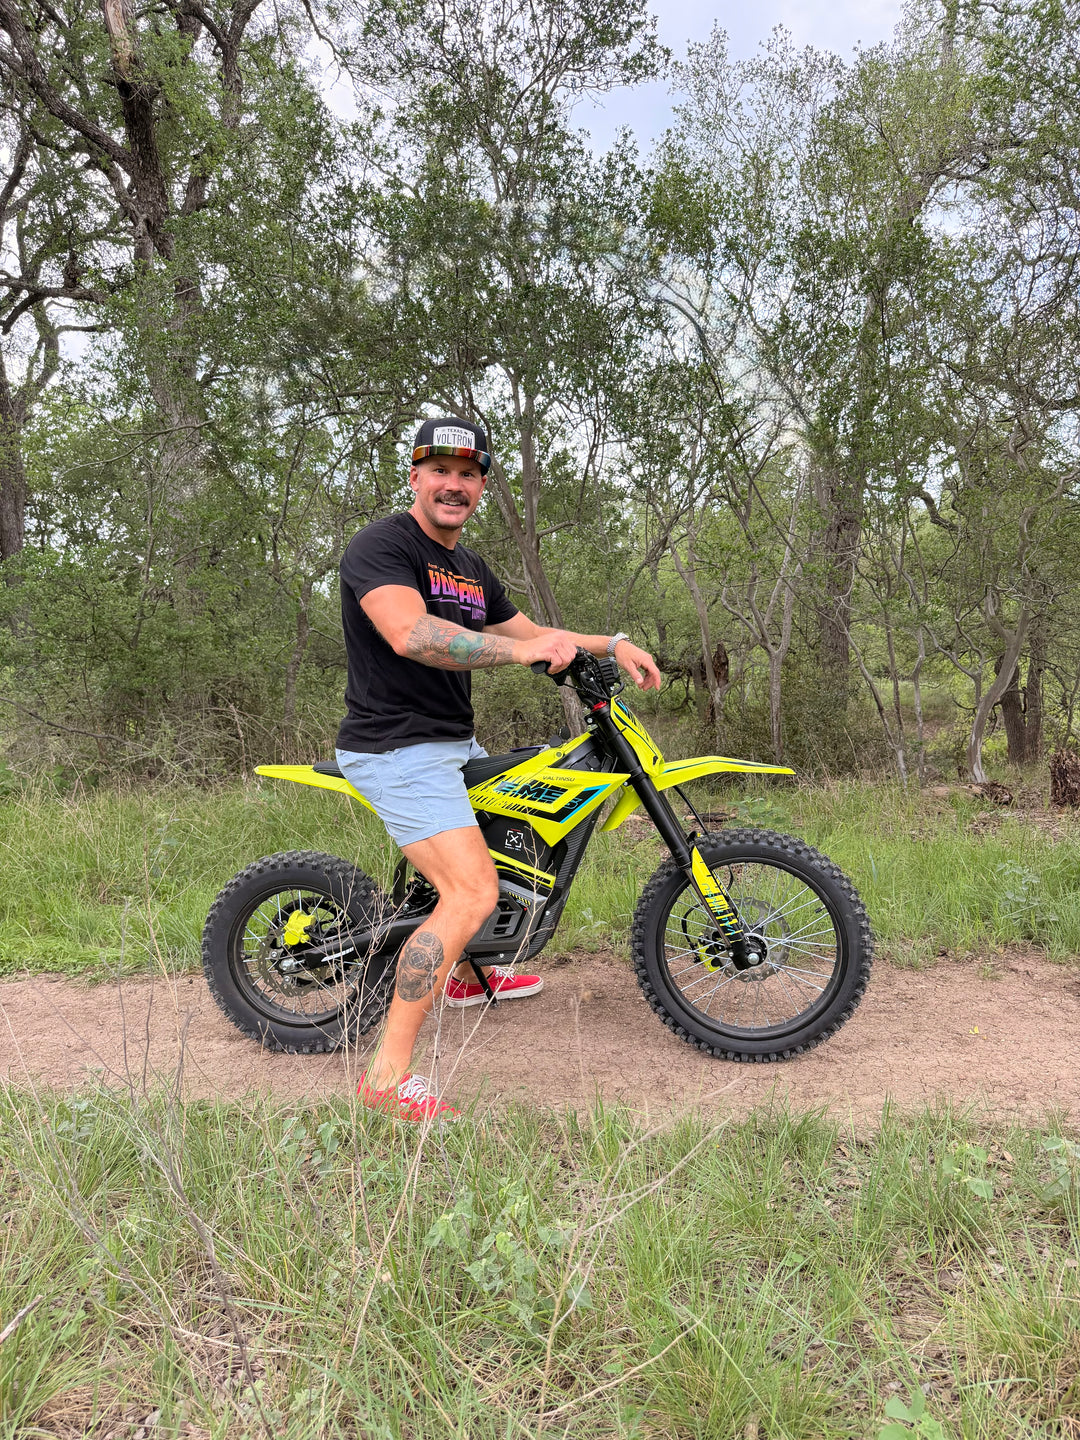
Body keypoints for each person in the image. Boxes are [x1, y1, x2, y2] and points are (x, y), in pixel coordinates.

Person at [335, 416, 661, 1123]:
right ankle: (386, 1079)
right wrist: (519, 655)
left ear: (481, 486)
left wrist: (612, 643)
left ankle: (461, 974)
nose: (454, 485)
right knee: (472, 893)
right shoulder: (382, 546)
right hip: (395, 748)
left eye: (468, 474)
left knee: (511, 839)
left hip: (452, 742)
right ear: (416, 477)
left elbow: (534, 633)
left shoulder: (470, 570)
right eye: (440, 471)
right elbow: (409, 632)